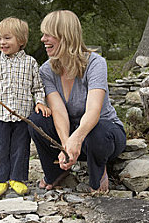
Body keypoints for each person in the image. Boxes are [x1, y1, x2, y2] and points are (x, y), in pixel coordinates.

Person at [28, 10, 126, 192]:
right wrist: (66, 145)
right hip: (73, 138)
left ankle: (98, 172)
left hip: (103, 134)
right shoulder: (46, 71)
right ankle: (56, 172)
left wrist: (76, 139)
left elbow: (93, 111)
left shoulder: (96, 63)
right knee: (37, 120)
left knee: (98, 130)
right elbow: (58, 111)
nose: (43, 39)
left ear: (65, 35)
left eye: (48, 34)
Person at [0, 17, 51, 198]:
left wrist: (40, 102)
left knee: (21, 147)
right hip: (0, 116)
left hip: (23, 115)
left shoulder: (30, 63)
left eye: (7, 38)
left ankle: (17, 178)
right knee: (0, 147)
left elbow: (37, 87)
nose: (2, 43)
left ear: (21, 41)